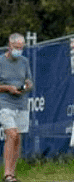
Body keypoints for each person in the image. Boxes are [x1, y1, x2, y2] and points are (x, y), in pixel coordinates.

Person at [0, 33, 33, 182]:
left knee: (17, 138)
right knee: (11, 134)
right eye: (16, 47)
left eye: (21, 48)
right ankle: (7, 174)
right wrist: (8, 88)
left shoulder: (24, 61)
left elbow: (29, 80)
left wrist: (26, 85)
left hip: (21, 103)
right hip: (5, 103)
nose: (18, 50)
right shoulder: (1, 61)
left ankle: (12, 174)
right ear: (9, 45)